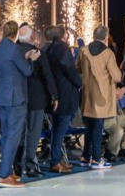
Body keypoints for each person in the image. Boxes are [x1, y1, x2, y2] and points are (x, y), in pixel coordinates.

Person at [0, 20, 40, 188]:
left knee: (6, 136)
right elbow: (27, 71)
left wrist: (24, 57)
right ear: (16, 34)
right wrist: (31, 59)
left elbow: (9, 67)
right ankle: (4, 175)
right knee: (13, 136)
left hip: (2, 97)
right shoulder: (15, 49)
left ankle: (7, 170)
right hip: (16, 98)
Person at [15, 24, 57, 178]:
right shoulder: (37, 53)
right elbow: (47, 76)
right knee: (33, 133)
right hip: (36, 99)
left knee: (19, 132)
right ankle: (30, 165)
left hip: (18, 98)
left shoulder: (14, 51)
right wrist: (54, 96)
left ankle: (17, 164)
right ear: (33, 37)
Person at [77, 25, 122, 169]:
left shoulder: (83, 50)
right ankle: (96, 159)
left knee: (88, 127)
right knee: (97, 128)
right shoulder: (108, 53)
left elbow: (77, 68)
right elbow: (117, 76)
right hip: (102, 96)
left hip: (87, 95)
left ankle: (85, 157)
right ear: (106, 37)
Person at [43, 25, 81, 173]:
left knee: (56, 128)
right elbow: (70, 70)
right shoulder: (62, 49)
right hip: (65, 93)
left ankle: (56, 158)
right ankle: (55, 160)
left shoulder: (46, 49)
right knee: (60, 129)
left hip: (52, 93)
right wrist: (79, 83)